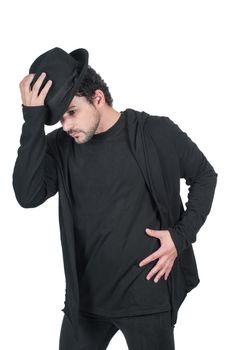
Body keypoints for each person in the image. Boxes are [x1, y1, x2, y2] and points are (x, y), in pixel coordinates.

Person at [13, 49, 218, 350]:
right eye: (59, 119)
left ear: (97, 98)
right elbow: (27, 195)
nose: (66, 125)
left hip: (147, 298)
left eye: (71, 112)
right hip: (85, 305)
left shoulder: (154, 132)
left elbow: (204, 176)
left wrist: (181, 237)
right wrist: (32, 121)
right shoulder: (61, 147)